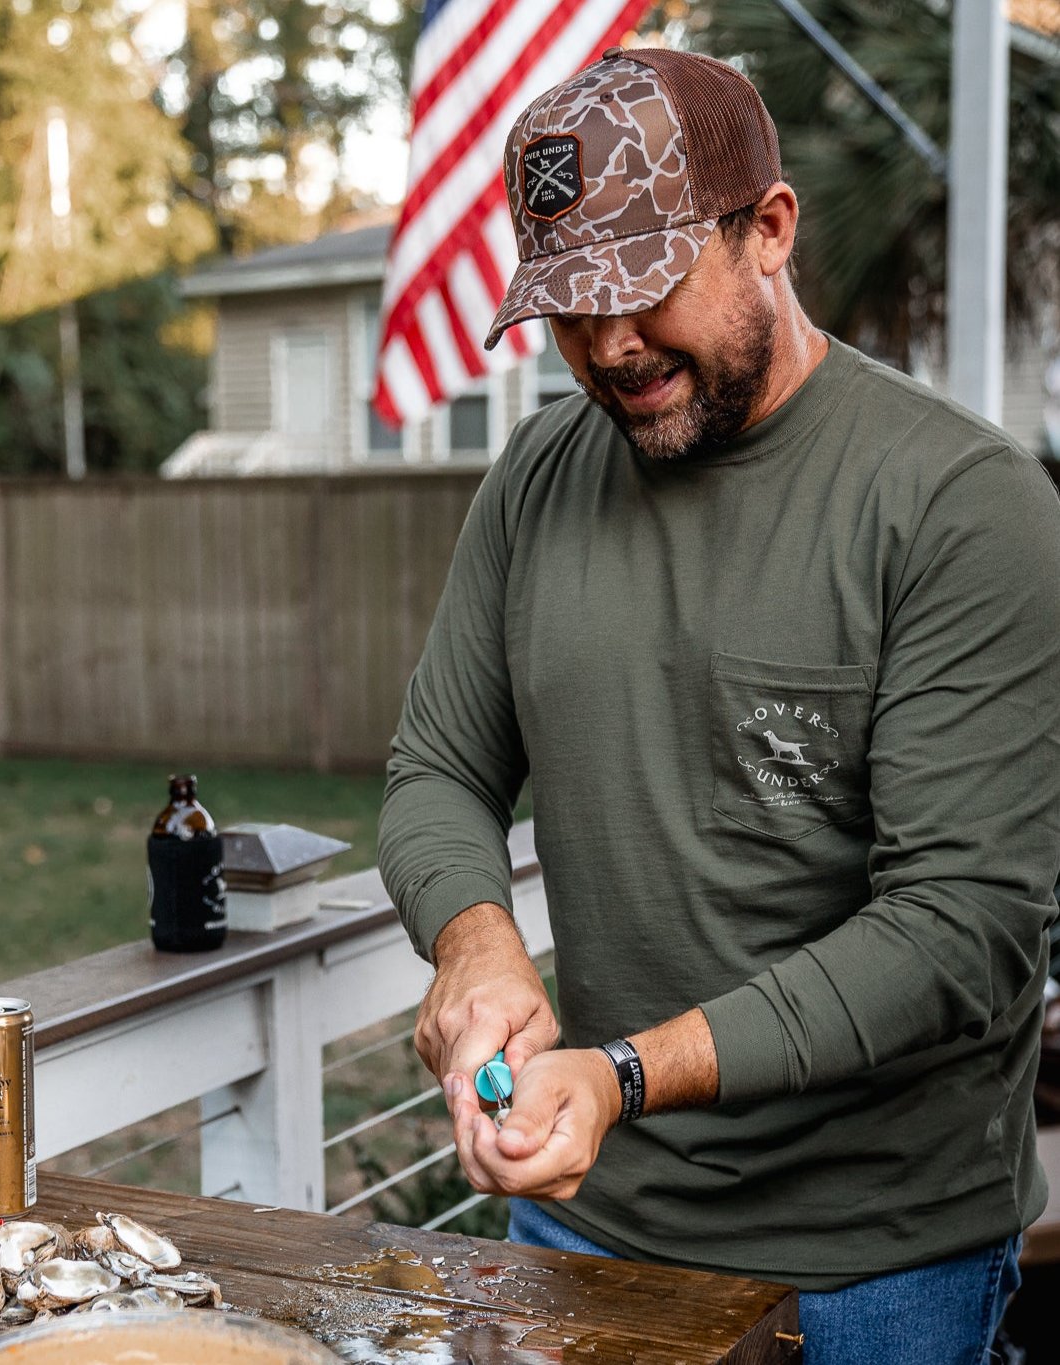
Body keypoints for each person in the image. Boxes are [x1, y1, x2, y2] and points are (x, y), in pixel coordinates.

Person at [377, 46, 1060, 1365]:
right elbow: (437, 770)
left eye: (642, 288)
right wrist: (476, 948)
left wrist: (623, 1072)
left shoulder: (959, 506)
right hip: (587, 1222)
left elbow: (955, 926)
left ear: (768, 230)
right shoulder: (537, 477)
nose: (609, 346)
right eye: (569, 308)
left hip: (874, 1261)